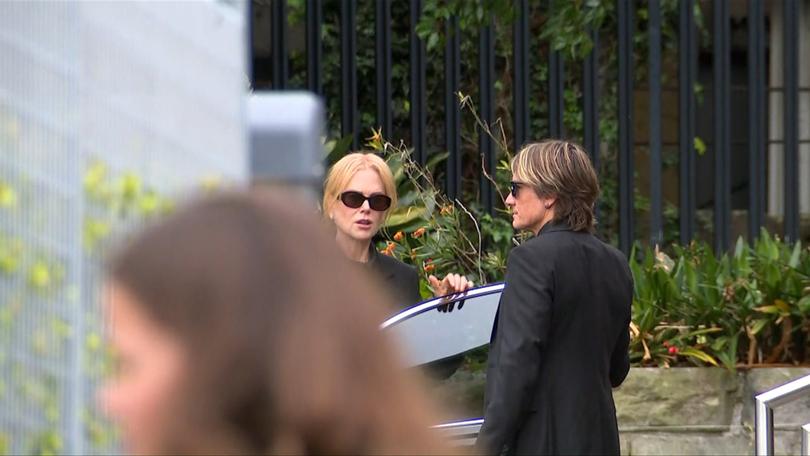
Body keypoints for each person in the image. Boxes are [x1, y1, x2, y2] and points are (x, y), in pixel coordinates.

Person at [100, 189, 453, 455]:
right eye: (353, 198)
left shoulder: (384, 279)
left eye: (127, 364)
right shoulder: (310, 271)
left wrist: (445, 313)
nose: (109, 400)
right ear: (331, 204)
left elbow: (431, 365)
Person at [475, 140, 633, 455]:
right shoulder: (616, 263)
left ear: (549, 195)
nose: (508, 199)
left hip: (542, 441)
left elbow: (516, 364)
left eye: (516, 188)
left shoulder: (531, 259)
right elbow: (617, 370)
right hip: (600, 440)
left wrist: (485, 447)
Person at [322, 152, 472, 308]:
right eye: (354, 198)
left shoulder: (404, 278)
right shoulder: (304, 275)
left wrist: (439, 305)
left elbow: (416, 331)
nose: (366, 208)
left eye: (377, 201)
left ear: (385, 212)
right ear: (331, 205)